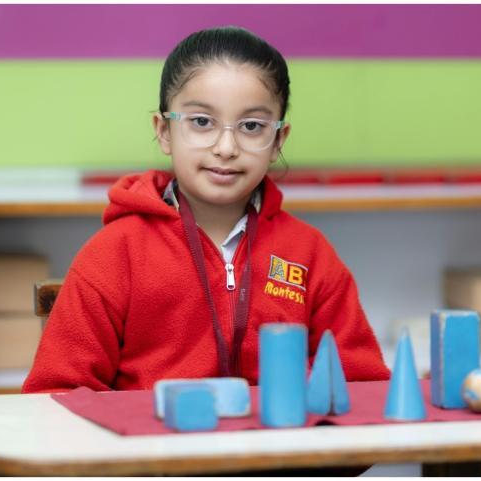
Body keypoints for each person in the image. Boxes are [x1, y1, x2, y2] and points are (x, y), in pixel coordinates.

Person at [22, 26, 390, 393]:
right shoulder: (113, 255)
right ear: (164, 131)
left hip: (280, 450)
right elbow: (56, 396)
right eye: (201, 122)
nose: (226, 147)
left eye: (251, 126)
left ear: (278, 140)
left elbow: (362, 386)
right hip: (151, 450)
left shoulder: (311, 255)